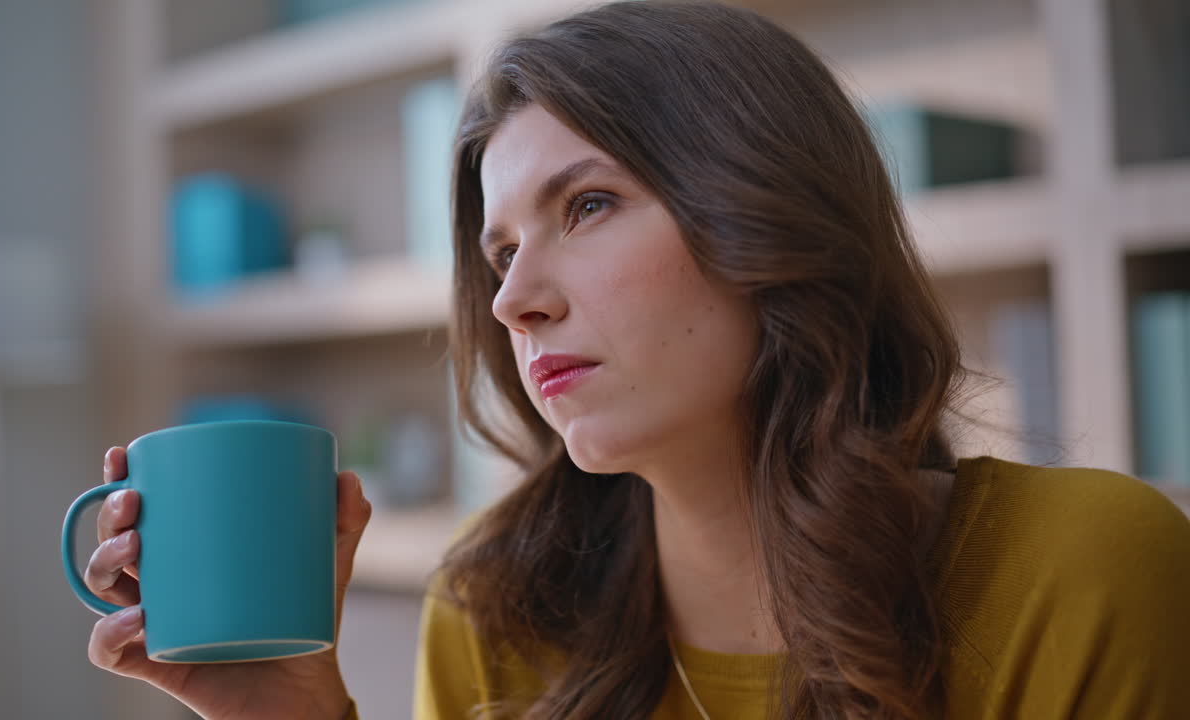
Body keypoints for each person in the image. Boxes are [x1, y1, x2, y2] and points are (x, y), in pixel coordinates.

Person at [83, 2, 1190, 718]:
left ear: (770, 214)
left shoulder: (1082, 575)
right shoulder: (492, 617)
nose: (516, 300)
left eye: (592, 204)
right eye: (500, 252)